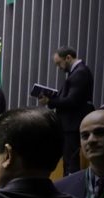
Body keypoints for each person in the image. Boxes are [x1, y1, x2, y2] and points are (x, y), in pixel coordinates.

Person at [40, 46, 94, 175]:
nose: (59, 67)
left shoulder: (80, 72)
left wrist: (50, 101)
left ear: (68, 58)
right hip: (70, 123)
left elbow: (72, 101)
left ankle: (69, 190)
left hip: (72, 124)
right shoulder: (77, 72)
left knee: (71, 162)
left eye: (59, 63)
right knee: (69, 161)